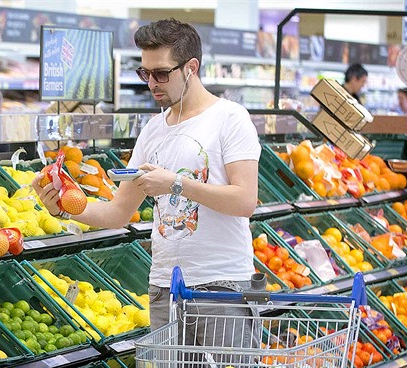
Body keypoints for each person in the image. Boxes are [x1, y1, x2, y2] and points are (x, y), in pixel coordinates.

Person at [32, 18, 262, 363]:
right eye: (145, 74)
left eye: (161, 73)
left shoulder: (230, 118)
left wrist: (176, 184)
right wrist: (64, 206)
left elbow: (245, 201)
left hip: (221, 288)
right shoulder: (154, 129)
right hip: (163, 290)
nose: (152, 84)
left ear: (191, 68)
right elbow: (117, 213)